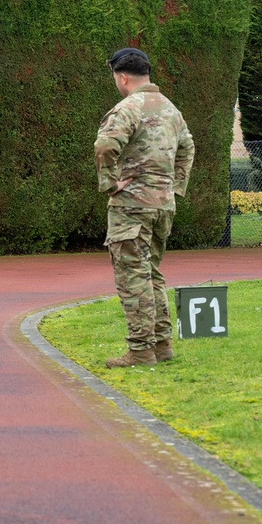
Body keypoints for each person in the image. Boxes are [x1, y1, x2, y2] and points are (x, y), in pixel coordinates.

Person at [95, 48, 194, 368]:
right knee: (152, 273)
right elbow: (188, 147)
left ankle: (140, 351)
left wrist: (110, 185)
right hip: (162, 205)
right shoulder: (171, 110)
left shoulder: (127, 108)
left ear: (122, 77)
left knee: (132, 277)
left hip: (132, 207)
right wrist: (174, 187)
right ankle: (162, 345)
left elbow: (105, 145)